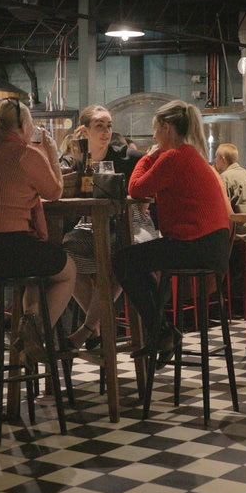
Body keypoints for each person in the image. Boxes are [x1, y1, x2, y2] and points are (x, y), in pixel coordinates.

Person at [112, 100, 231, 369]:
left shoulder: (174, 157)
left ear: (167, 128)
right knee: (138, 260)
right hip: (211, 245)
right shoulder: (190, 155)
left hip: (196, 245)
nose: (153, 137)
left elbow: (136, 188)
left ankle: (163, 332)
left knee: (123, 261)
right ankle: (163, 331)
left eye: (155, 130)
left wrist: (148, 156)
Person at [0, 99, 76, 355]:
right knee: (68, 271)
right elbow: (54, 191)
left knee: (37, 266)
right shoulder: (27, 154)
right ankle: (34, 333)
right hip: (8, 249)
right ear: (23, 125)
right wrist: (51, 152)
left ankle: (29, 324)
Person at [60, 105, 154, 350]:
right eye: (99, 126)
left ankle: (88, 328)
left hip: (129, 223)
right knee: (65, 258)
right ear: (84, 130)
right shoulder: (73, 159)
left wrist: (145, 195)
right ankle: (97, 323)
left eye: (109, 126)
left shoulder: (125, 157)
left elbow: (151, 171)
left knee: (126, 256)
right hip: (91, 224)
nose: (106, 131)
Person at [213, 143, 246, 318]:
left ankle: (220, 306)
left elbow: (222, 210)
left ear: (222, 159)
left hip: (240, 238)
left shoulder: (225, 177)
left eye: (216, 158)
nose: (214, 161)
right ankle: (237, 305)